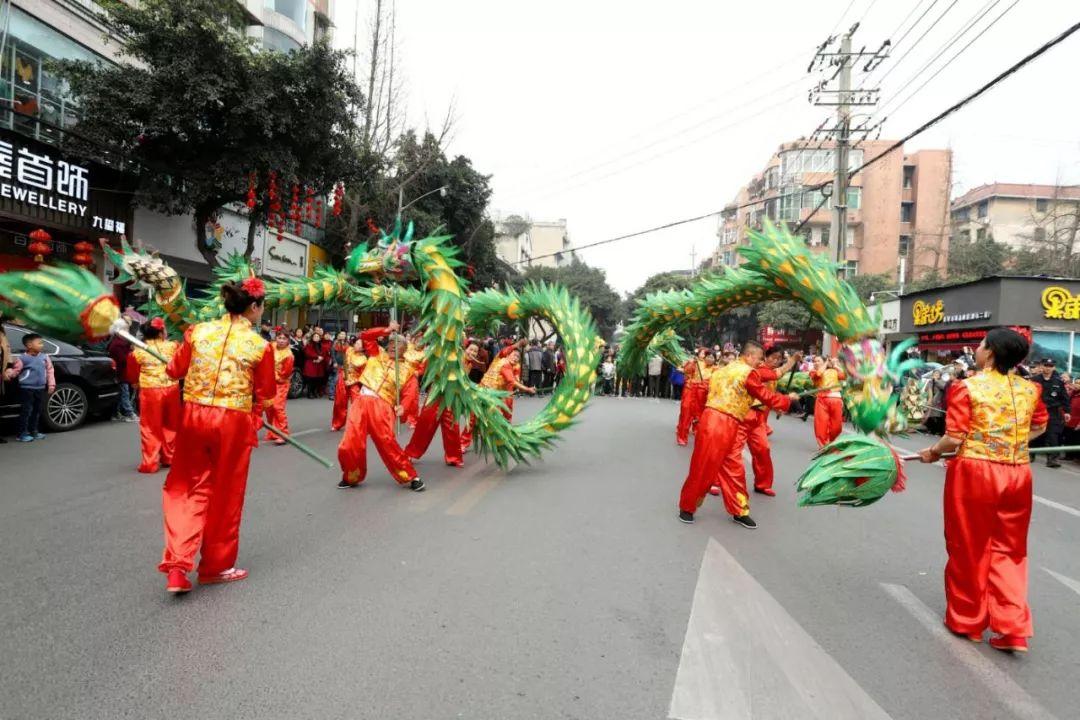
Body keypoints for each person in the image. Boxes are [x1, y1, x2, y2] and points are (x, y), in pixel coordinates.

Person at [918, 328, 1048, 653]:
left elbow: (955, 439)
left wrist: (933, 452)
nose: (977, 349)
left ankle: (968, 620)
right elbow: (1041, 425)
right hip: (1018, 473)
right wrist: (1011, 442)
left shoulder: (966, 388)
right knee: (1010, 551)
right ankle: (1013, 629)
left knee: (969, 545)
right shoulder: (1031, 389)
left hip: (976, 473)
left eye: (980, 345)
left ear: (989, 353)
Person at [159, 277, 276, 594]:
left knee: (187, 486)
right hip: (232, 420)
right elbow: (266, 393)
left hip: (194, 415)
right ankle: (216, 566)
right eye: (262, 307)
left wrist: (172, 364)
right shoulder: (259, 346)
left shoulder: (198, 332)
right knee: (225, 492)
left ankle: (177, 566)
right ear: (254, 307)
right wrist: (257, 415)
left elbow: (174, 370)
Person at [677, 341, 797, 528]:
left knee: (735, 467)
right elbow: (764, 395)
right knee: (703, 465)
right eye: (758, 359)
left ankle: (739, 510)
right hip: (717, 422)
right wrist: (788, 400)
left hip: (730, 423)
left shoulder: (723, 369)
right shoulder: (746, 373)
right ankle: (687, 507)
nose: (760, 363)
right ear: (749, 356)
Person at [336, 322, 425, 491]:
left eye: (398, 344)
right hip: (361, 401)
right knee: (349, 443)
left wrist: (403, 407)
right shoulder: (377, 354)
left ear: (405, 349)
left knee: (387, 443)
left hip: (383, 406)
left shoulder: (407, 370)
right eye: (391, 343)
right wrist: (386, 330)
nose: (393, 346)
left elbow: (411, 393)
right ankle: (351, 476)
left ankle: (411, 476)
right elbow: (367, 336)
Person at [739, 346, 801, 497]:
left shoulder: (771, 374)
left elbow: (770, 395)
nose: (775, 360)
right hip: (743, 415)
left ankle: (762, 484)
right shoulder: (758, 369)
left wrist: (779, 405)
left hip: (759, 419)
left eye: (778, 359)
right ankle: (714, 482)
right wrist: (792, 361)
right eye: (772, 357)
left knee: (763, 450)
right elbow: (775, 374)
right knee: (729, 452)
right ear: (764, 357)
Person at [125, 318, 181, 472]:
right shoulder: (174, 346)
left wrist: (136, 385)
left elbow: (132, 376)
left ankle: (150, 462)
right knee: (171, 424)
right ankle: (169, 456)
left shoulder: (137, 353)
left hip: (150, 391)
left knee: (150, 426)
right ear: (162, 332)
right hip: (172, 389)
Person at [6, 333, 56, 442]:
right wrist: (9, 373)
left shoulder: (45, 357)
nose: (42, 345)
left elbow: (50, 371)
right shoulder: (22, 359)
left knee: (37, 411)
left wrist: (51, 384)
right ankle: (22, 434)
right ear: (29, 345)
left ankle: (34, 431)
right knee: (26, 411)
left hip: (40, 388)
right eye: (39, 343)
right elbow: (16, 371)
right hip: (26, 389)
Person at [1030, 358, 1067, 468]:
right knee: (1035, 433)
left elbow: (1064, 398)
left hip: (1052, 412)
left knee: (1053, 435)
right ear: (1041, 366)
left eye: (1050, 366)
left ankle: (1053, 459)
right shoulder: (1034, 380)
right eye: (1046, 365)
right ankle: (1030, 454)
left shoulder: (1058, 382)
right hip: (1037, 411)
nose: (1048, 368)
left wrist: (1067, 412)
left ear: (1054, 367)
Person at [263, 329, 295, 446]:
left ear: (288, 341)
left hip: (281, 383)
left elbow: (284, 374)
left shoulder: (289, 356)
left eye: (284, 339)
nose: (281, 341)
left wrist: (271, 374)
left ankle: (283, 433)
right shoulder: (271, 346)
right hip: (268, 382)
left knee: (277, 407)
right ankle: (273, 431)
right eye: (279, 338)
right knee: (269, 407)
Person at [810, 355, 846, 447]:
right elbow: (818, 375)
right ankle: (823, 445)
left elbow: (844, 375)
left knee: (837, 426)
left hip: (836, 399)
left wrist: (835, 365)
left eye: (818, 361)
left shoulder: (834, 371)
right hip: (822, 400)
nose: (815, 363)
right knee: (821, 424)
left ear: (823, 361)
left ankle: (831, 441)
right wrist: (826, 363)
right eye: (814, 361)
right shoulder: (813, 372)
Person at [108, 321, 138, 423]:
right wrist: (132, 352)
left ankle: (116, 413)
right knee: (124, 394)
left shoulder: (123, 343)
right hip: (121, 373)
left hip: (124, 373)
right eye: (125, 329)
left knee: (122, 394)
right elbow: (124, 360)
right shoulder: (117, 344)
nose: (127, 331)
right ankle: (129, 413)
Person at [302, 330, 328, 399]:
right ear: (312, 337)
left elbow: (324, 353)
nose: (316, 337)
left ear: (319, 338)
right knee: (311, 379)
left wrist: (321, 358)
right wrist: (316, 357)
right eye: (315, 336)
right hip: (311, 363)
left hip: (319, 364)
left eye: (317, 336)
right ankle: (309, 393)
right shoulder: (309, 344)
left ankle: (314, 392)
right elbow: (308, 353)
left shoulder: (322, 346)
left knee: (317, 379)